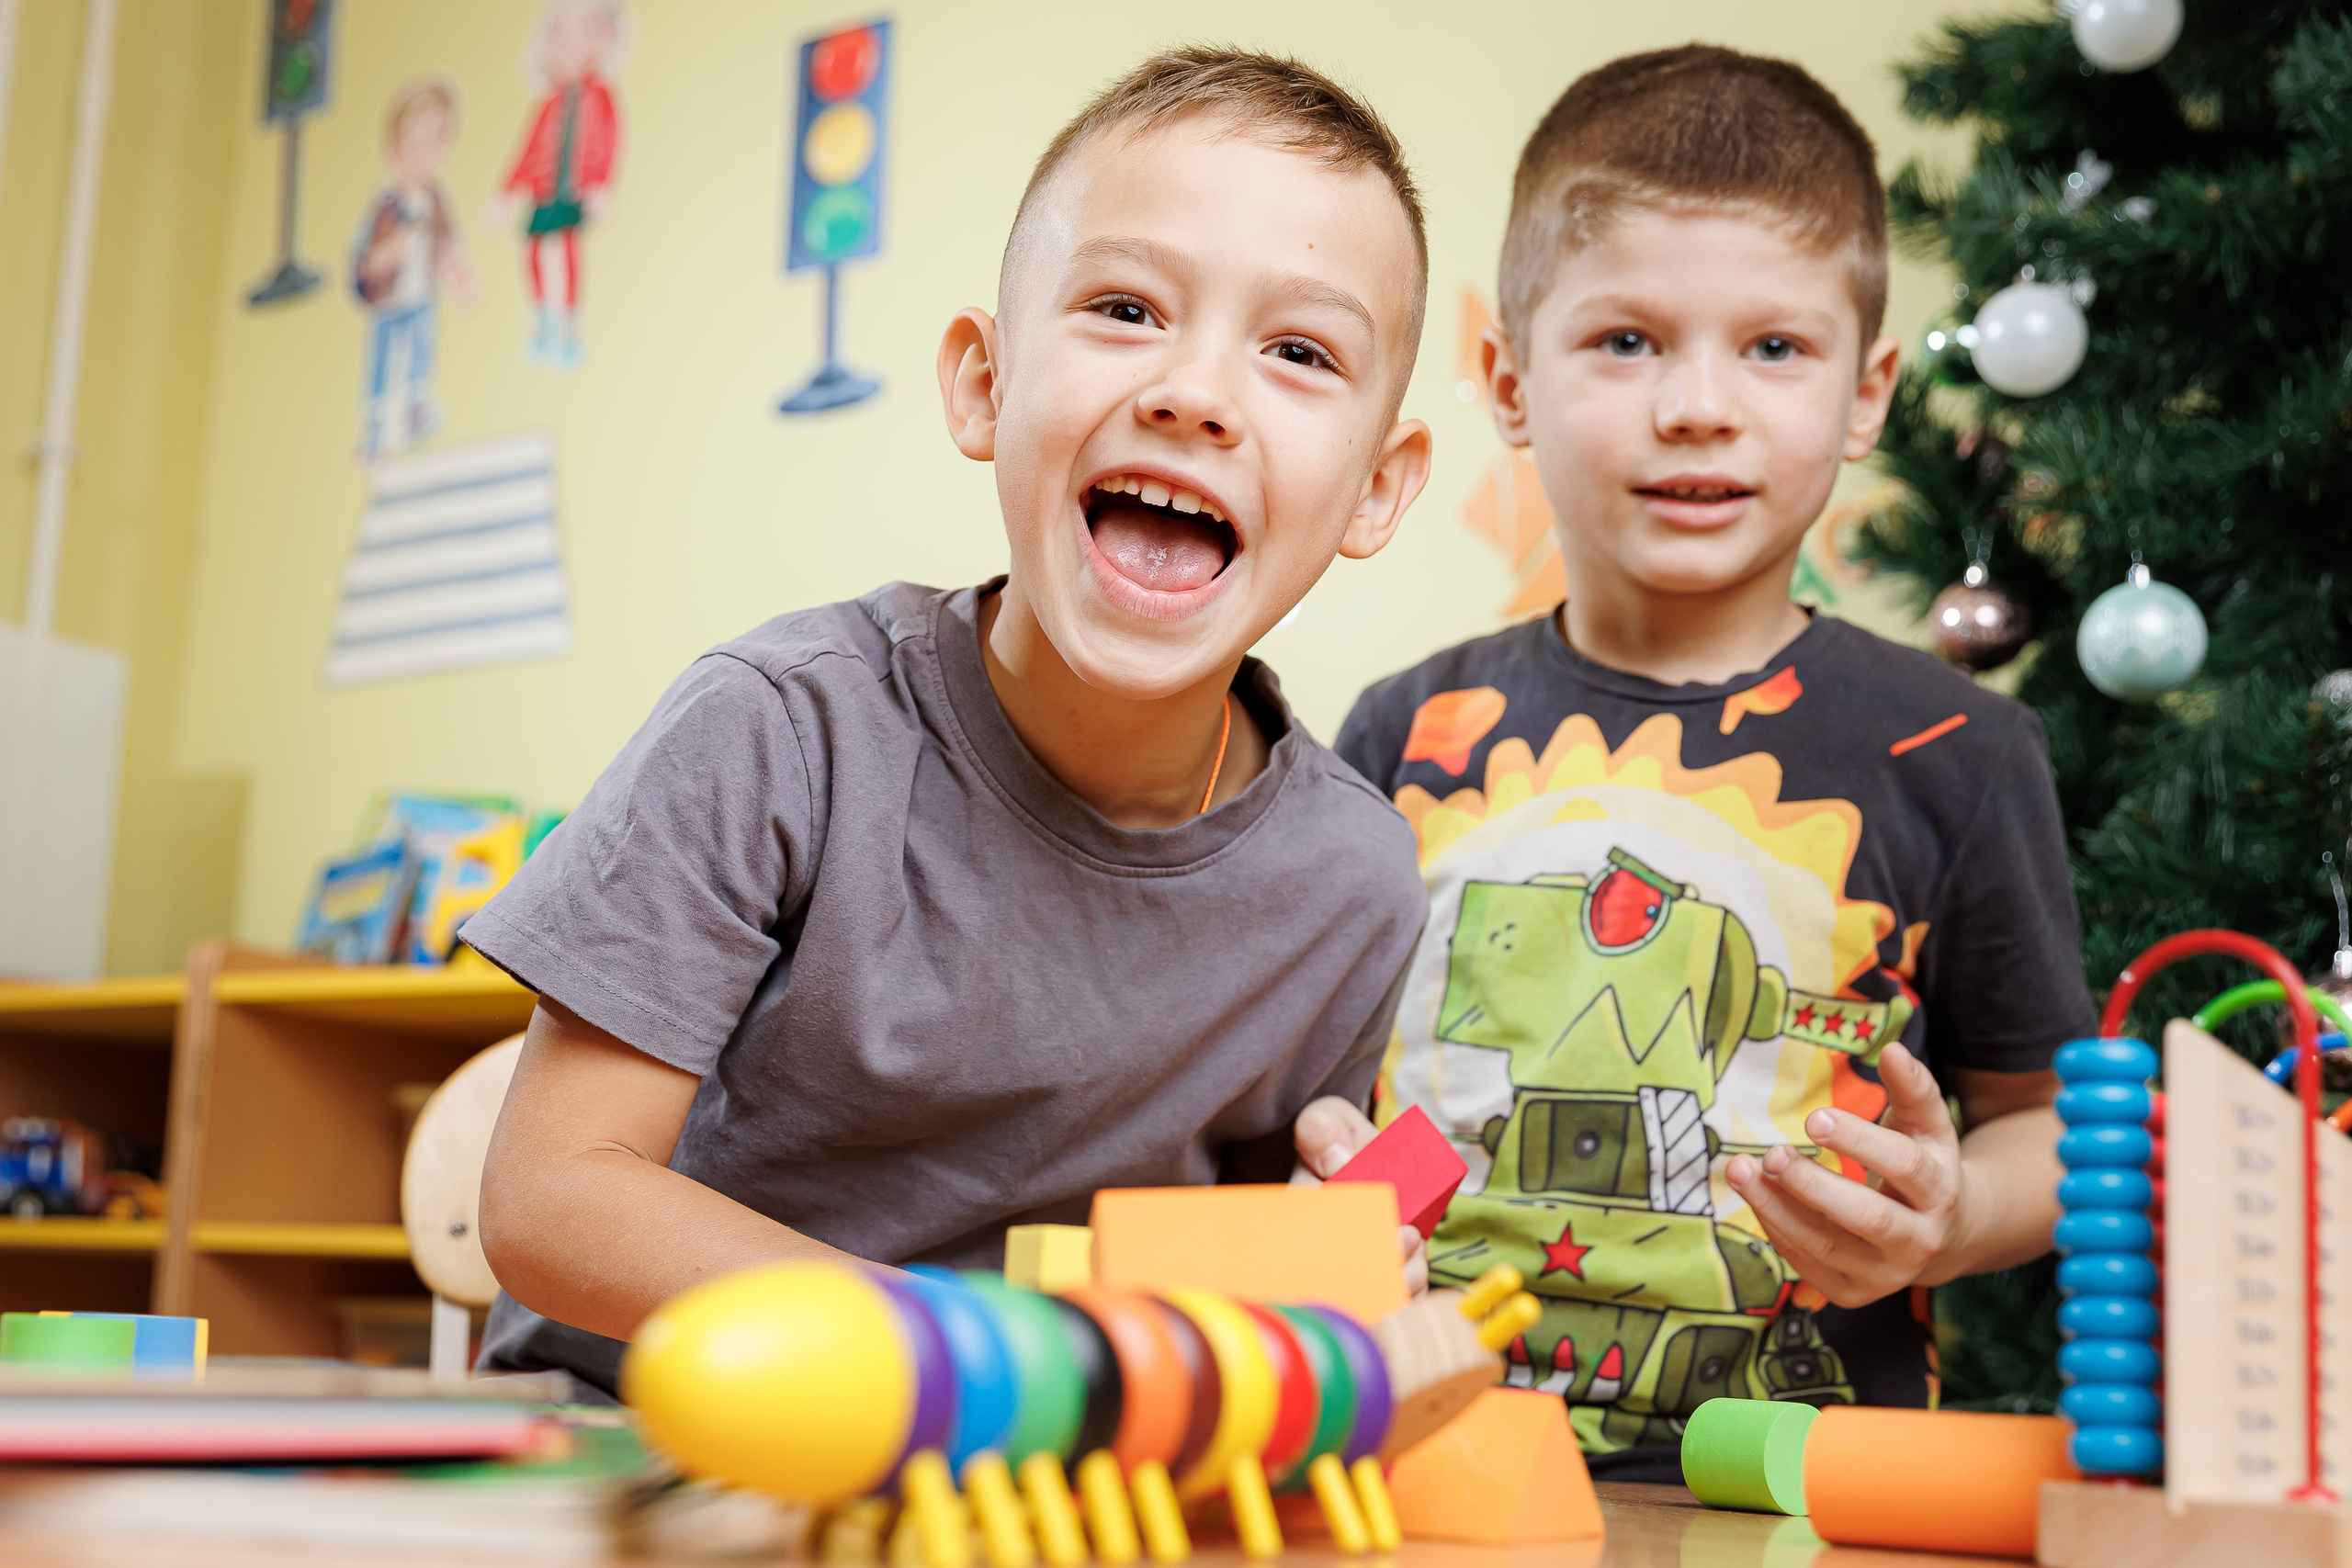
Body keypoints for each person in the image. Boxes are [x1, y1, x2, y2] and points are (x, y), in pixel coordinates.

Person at [466, 48, 1437, 1398]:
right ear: (983, 383)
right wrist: (989, 1351)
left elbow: (1247, 1293)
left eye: (1298, 351)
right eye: (1125, 307)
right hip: (643, 1429)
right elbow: (551, 1200)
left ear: (1377, 490)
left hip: (1039, 1476)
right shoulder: (778, 730)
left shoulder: (1354, 885)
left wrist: (1326, 1262)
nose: (1196, 393)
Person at [1336, 45, 2091, 1474]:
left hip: (1808, 1495)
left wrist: (1950, 1216)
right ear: (1507, 375)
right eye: (1626, 341)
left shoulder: (1960, 749)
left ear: (1866, 394)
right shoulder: (1397, 732)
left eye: (1775, 348)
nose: (1697, 404)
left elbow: (2044, 1124)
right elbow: (1308, 1092)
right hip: (1427, 1471)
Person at [493, 0, 628, 369]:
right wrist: (508, 191)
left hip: (574, 192)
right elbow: (528, 148)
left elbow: (609, 138)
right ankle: (543, 319)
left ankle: (566, 324)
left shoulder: (599, 95)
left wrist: (600, 185)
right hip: (544, 191)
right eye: (561, 36)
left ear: (604, 39)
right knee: (534, 250)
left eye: (584, 34)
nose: (571, 46)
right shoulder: (550, 102)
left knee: (560, 250)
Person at [350, 77, 475, 462]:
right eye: (411, 143)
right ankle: (375, 432)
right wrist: (387, 253)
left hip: (421, 296)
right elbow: (364, 255)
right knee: (384, 364)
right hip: (389, 301)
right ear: (394, 149)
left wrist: (458, 276)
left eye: (431, 142)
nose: (421, 154)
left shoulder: (436, 199)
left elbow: (448, 243)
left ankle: (415, 407)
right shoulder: (385, 205)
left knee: (421, 351)